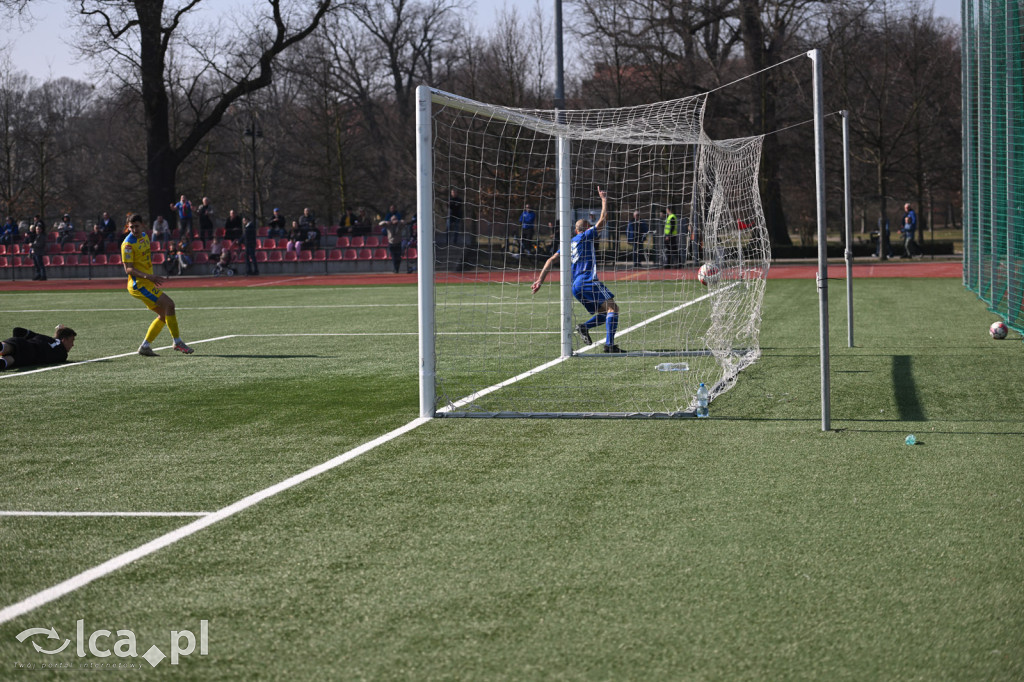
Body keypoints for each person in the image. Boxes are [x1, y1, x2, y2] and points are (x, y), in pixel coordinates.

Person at [532, 187, 624, 354]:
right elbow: (603, 218)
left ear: (575, 230)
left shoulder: (569, 243)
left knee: (604, 312)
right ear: (586, 229)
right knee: (613, 309)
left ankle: (584, 327)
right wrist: (603, 199)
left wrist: (540, 280)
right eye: (590, 226)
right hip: (588, 281)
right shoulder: (586, 236)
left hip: (576, 286)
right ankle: (609, 346)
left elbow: (550, 260)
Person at [121, 213, 193, 356]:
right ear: (128, 227)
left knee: (163, 315)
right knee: (170, 304)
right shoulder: (128, 244)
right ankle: (177, 342)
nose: (134, 229)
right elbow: (128, 269)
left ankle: (145, 346)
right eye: (131, 227)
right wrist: (149, 276)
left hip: (147, 282)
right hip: (139, 285)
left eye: (137, 226)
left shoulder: (145, 237)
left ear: (142, 225)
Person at [0, 325, 76, 370]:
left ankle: (8, 347)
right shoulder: (63, 355)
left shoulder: (44, 337)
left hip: (25, 343)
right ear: (64, 340)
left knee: (8, 347)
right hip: (30, 358)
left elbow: (17, 330)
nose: (72, 345)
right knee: (11, 359)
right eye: (72, 340)